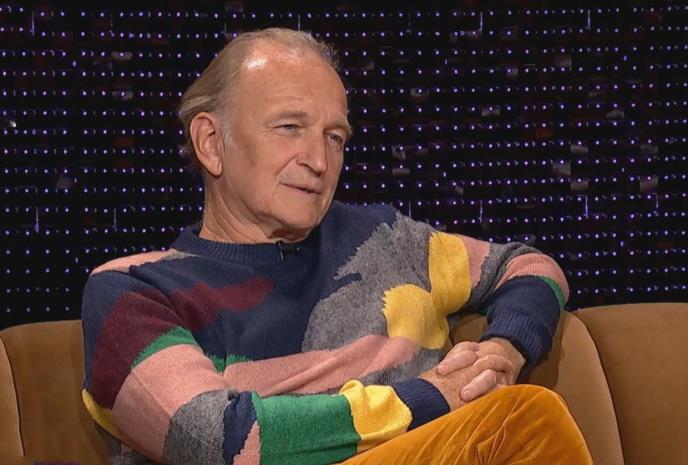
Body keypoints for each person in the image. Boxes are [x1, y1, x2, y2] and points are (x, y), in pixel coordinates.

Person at [81, 28, 593, 465]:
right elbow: (214, 440)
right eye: (290, 128)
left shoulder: (385, 239)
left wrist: (502, 351)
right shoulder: (133, 290)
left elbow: (529, 266)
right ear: (211, 142)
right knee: (521, 421)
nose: (319, 161)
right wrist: (436, 397)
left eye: (335, 138)